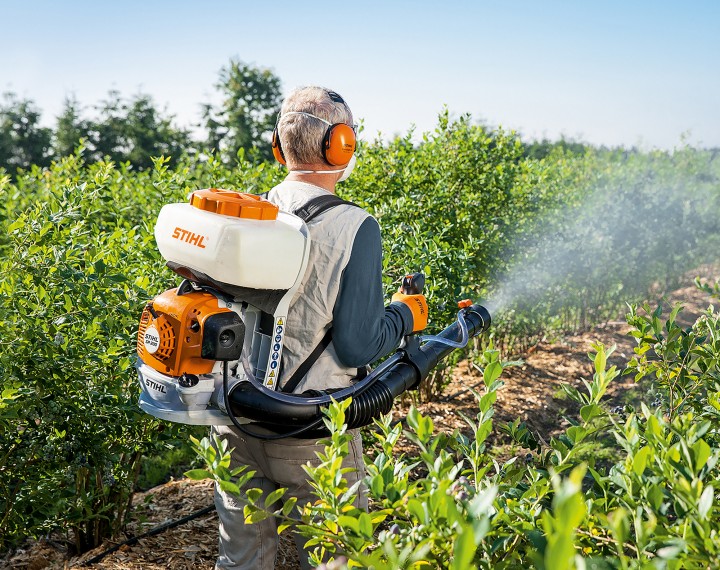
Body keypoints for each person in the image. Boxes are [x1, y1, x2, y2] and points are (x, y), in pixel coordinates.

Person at [212, 86, 428, 570]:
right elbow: (356, 345)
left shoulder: (253, 211)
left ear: (278, 144)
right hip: (311, 429)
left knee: (241, 559)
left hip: (236, 420)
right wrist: (405, 315)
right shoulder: (355, 226)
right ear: (342, 144)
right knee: (336, 559)